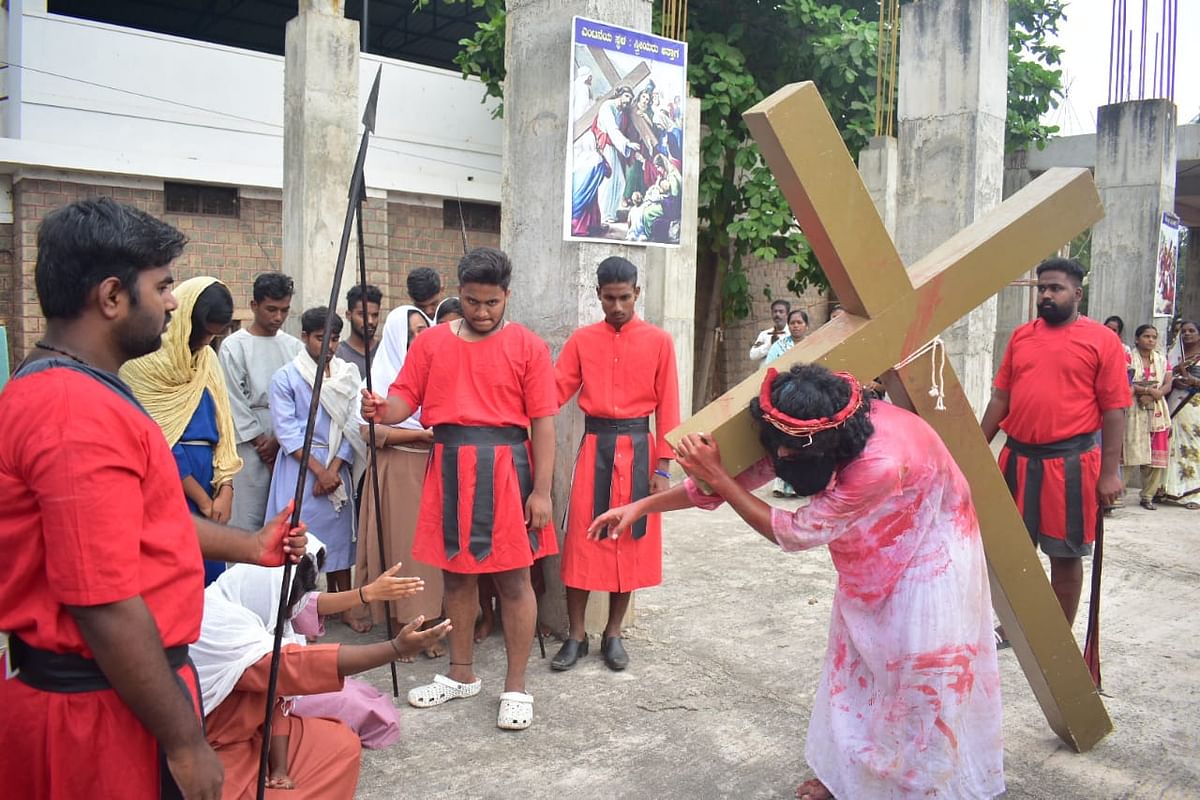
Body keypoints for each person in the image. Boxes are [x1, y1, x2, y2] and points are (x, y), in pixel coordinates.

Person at [0, 198, 308, 800]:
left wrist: (251, 545)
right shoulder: (73, 411)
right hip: (98, 713)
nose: (173, 302)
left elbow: (144, 522)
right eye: (163, 286)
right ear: (112, 297)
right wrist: (186, 743)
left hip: (116, 697)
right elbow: (104, 602)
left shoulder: (81, 386)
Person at [590, 364, 1004, 799]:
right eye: (780, 451)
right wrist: (644, 506)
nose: (783, 462)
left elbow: (792, 531)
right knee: (857, 672)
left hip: (929, 565)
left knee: (922, 686)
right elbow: (735, 480)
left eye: (790, 455)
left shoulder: (880, 461)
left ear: (824, 443)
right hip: (873, 558)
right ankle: (849, 777)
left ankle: (920, 788)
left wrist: (720, 479)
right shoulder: (817, 429)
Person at [361, 246, 557, 731]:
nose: (483, 312)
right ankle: (461, 673)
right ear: (458, 295)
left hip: (509, 468)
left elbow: (544, 425)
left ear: (506, 296)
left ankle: (515, 685)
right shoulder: (430, 344)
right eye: (472, 302)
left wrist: (543, 493)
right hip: (448, 465)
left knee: (513, 580)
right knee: (455, 577)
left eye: (492, 302)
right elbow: (404, 398)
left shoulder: (529, 346)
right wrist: (379, 409)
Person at [193, 541, 450, 800]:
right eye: (294, 599)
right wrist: (394, 648)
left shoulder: (254, 600)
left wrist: (280, 769)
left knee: (341, 743)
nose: (296, 606)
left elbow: (277, 701)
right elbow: (296, 666)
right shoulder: (224, 628)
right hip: (211, 756)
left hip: (253, 738)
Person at [980, 257, 1128, 633]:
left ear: (1077, 293)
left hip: (1071, 465)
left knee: (1064, 555)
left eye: (1055, 288)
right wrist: (978, 449)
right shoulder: (1021, 336)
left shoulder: (1102, 341)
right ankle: (1013, 627)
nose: (1045, 295)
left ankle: (1057, 635)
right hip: (1017, 459)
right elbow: (1001, 399)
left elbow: (1114, 411)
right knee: (1012, 555)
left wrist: (1110, 473)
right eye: (1041, 288)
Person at [552, 257, 679, 672]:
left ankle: (613, 633)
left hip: (639, 450)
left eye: (625, 297)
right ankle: (576, 635)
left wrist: (663, 467)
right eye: (610, 298)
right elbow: (554, 392)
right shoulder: (582, 341)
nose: (618, 305)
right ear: (598, 296)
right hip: (596, 448)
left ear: (636, 293)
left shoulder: (659, 341)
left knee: (629, 539)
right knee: (582, 543)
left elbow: (669, 406)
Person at [121, 276, 244, 584]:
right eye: (200, 335)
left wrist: (226, 487)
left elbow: (224, 427)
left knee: (211, 581)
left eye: (213, 337)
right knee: (172, 573)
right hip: (167, 480)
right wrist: (203, 500)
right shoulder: (142, 364)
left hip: (210, 482)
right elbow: (156, 438)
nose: (204, 343)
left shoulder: (207, 361)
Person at [352, 304, 445, 655]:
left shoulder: (437, 371)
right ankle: (404, 629)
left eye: (425, 329)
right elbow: (367, 430)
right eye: (413, 332)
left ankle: (432, 622)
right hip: (398, 471)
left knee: (433, 553)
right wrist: (417, 437)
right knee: (402, 549)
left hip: (434, 468)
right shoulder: (380, 377)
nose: (420, 337)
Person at [266, 307, 365, 628]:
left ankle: (345, 606)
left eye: (334, 339)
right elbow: (287, 431)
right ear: (305, 337)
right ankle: (300, 613)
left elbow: (354, 424)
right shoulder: (286, 377)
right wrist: (320, 472)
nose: (329, 347)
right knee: (298, 540)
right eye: (321, 339)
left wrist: (334, 468)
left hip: (338, 466)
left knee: (339, 542)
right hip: (299, 470)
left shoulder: (348, 374)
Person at [221, 272, 303, 530]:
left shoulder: (295, 348)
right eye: (271, 309)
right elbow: (233, 398)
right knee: (248, 518)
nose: (278, 317)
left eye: (284, 310)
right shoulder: (233, 346)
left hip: (288, 439)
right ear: (254, 305)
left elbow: (302, 397)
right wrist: (261, 442)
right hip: (248, 443)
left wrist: (280, 439)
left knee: (285, 517)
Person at [1122, 324, 1171, 510]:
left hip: (1157, 408)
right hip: (1133, 407)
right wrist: (1146, 390)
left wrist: (1157, 393)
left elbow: (1168, 381)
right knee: (1128, 450)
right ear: (1137, 339)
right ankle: (1118, 494)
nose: (1150, 340)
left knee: (1157, 452)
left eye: (1153, 337)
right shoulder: (1127, 356)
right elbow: (1124, 379)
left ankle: (1148, 496)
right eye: (1146, 336)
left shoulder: (1161, 359)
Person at [1162, 320, 1200, 508]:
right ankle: (1171, 489)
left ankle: (1194, 494)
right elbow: (1164, 376)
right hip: (1175, 402)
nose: (1187, 334)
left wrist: (1194, 381)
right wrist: (1175, 381)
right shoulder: (1174, 355)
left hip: (1194, 406)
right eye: (1184, 331)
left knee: (1193, 447)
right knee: (1171, 443)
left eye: (1191, 331)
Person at [337, 283, 382, 381]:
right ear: (349, 315)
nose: (370, 321)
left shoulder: (385, 352)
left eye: (375, 315)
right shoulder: (337, 355)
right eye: (363, 315)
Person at [749, 299, 790, 367]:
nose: (777, 314)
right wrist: (770, 345)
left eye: (781, 312)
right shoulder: (764, 334)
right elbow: (752, 355)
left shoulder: (792, 334)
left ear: (787, 314)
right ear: (771, 314)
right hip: (766, 374)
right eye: (775, 311)